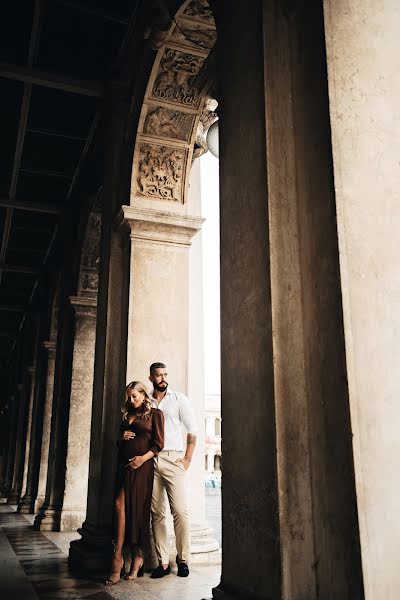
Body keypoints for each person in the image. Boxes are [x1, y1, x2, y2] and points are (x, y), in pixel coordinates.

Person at [105, 381, 164, 585]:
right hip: (124, 466)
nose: (131, 400)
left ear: (143, 395)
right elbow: (119, 444)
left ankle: (136, 557)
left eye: (134, 396)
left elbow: (158, 444)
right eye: (129, 397)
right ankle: (118, 557)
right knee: (119, 505)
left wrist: (141, 459)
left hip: (142, 468)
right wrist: (121, 438)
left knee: (136, 510)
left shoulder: (155, 415)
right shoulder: (126, 416)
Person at [149, 362, 198, 578]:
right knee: (157, 514)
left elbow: (193, 429)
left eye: (165, 374)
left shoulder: (179, 400)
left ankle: (183, 558)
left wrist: (187, 458)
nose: (163, 378)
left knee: (180, 511)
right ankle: (163, 562)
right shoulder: (146, 401)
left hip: (173, 459)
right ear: (151, 377)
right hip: (151, 460)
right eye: (158, 375)